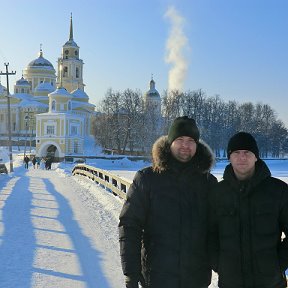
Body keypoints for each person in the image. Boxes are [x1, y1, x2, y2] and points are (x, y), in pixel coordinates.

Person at [119, 116, 217, 288]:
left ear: (197, 145)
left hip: (196, 279)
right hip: (156, 277)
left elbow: (217, 229)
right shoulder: (147, 179)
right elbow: (129, 225)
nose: (185, 145)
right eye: (180, 139)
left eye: (190, 140)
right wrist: (131, 274)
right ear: (170, 142)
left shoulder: (208, 183)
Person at [209, 132, 288, 288]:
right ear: (229, 157)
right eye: (236, 153)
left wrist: (279, 264)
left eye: (247, 152)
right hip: (231, 282)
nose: (242, 157)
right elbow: (209, 234)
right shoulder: (217, 193)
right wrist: (219, 264)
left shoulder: (279, 191)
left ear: (256, 156)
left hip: (270, 282)